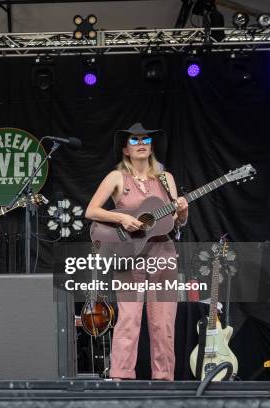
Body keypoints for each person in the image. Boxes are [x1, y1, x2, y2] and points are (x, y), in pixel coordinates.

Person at [85, 123, 189, 380]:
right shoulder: (117, 177)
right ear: (126, 149)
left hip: (162, 251)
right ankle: (121, 376)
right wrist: (122, 219)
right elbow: (92, 211)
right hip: (129, 252)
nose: (141, 143)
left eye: (145, 140)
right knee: (129, 318)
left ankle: (164, 378)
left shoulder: (166, 179)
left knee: (163, 321)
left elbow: (175, 219)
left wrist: (183, 211)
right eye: (134, 140)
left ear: (152, 147)